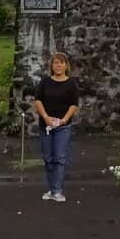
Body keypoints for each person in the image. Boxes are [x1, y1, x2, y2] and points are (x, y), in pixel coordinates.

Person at [33, 52, 79, 202]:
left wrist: (64, 120)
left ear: (66, 65)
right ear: (51, 66)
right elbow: (38, 101)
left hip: (62, 126)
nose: (58, 65)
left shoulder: (71, 83)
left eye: (61, 63)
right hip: (46, 125)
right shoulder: (45, 82)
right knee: (48, 158)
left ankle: (57, 190)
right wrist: (46, 118)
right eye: (55, 63)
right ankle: (51, 188)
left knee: (60, 157)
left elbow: (74, 104)